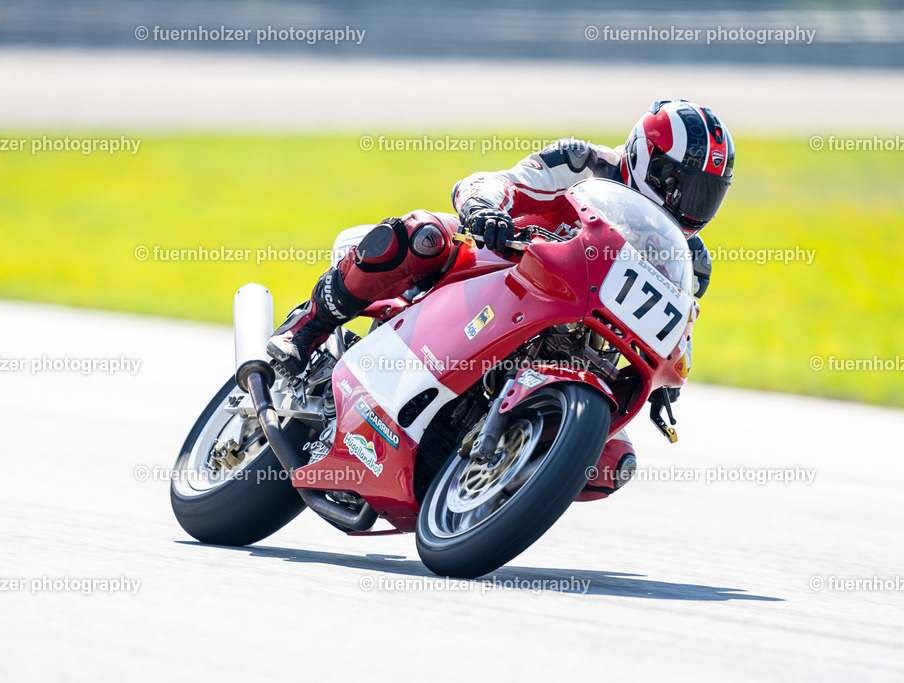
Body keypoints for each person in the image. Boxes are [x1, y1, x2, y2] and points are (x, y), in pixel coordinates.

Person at [267, 99, 734, 501]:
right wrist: (484, 208)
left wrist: (665, 382)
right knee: (421, 236)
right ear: (642, 155)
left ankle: (485, 486)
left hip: (573, 336)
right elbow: (497, 182)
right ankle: (306, 329)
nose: (686, 203)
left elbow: (678, 325)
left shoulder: (690, 259)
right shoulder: (581, 163)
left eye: (705, 195)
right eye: (679, 182)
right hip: (500, 265)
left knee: (613, 464)